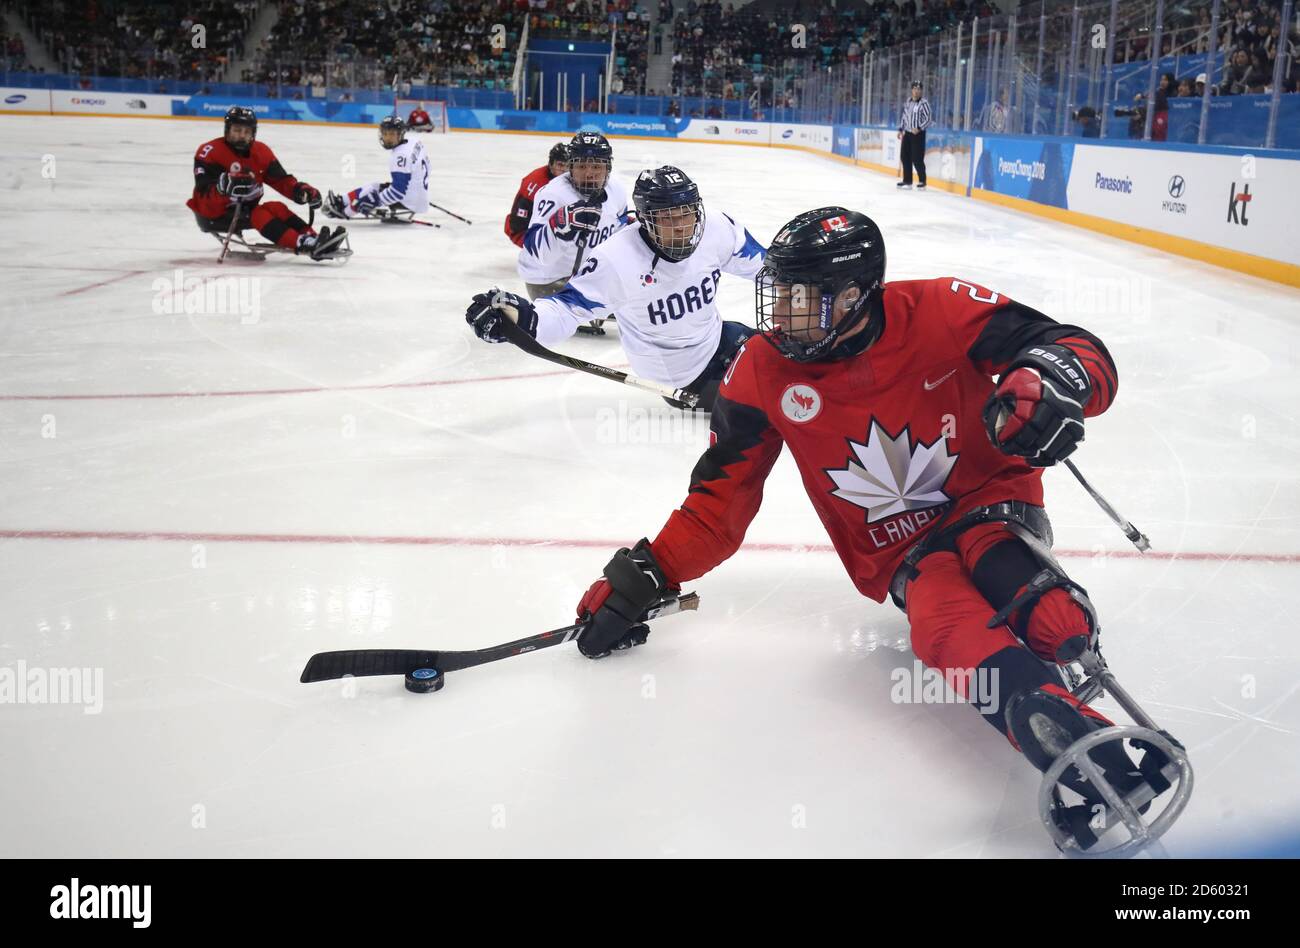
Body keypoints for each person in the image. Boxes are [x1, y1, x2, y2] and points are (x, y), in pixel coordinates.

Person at [567, 207, 1175, 850]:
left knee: (1018, 583)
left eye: (800, 298)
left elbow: (1076, 347)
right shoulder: (759, 370)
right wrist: (651, 571)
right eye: (778, 292)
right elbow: (719, 502)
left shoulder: (940, 309)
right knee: (942, 627)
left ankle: (1062, 633)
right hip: (905, 555)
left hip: (991, 501)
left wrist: (1049, 382)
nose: (779, 314)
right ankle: (1058, 726)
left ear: (853, 296)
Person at [467, 166, 766, 412]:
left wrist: (802, 281)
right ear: (646, 220)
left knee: (785, 353)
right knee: (771, 394)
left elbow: (765, 267)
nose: (680, 226)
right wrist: (523, 320)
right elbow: (566, 309)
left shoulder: (716, 227)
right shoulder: (617, 259)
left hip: (716, 337)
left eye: (686, 214)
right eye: (667, 218)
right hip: (681, 375)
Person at [187, 106, 347, 261]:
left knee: (276, 207)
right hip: (214, 214)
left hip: (243, 209)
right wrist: (222, 188)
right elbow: (202, 194)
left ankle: (313, 238)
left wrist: (300, 191)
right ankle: (302, 243)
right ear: (227, 130)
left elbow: (280, 180)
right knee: (259, 214)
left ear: (253, 133)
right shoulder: (210, 152)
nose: (242, 135)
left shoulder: (261, 152)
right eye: (237, 130)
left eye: (246, 132)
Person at [516, 131, 633, 301]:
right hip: (548, 281)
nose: (589, 173)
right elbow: (539, 254)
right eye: (582, 166)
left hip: (587, 275)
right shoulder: (553, 195)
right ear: (570, 168)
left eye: (596, 166)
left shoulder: (617, 190)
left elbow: (618, 231)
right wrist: (559, 225)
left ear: (608, 168)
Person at [323, 115, 430, 220]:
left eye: (392, 134)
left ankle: (345, 212)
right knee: (375, 186)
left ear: (401, 134)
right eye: (385, 134)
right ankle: (342, 201)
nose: (388, 138)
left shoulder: (400, 156)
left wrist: (375, 200)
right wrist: (414, 188)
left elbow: (397, 193)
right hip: (418, 196)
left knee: (370, 192)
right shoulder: (414, 142)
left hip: (410, 201)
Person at [504, 142, 570, 248]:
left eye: (568, 166)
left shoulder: (572, 178)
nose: (564, 170)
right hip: (523, 230)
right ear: (551, 164)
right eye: (560, 165)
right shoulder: (535, 182)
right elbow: (517, 226)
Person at [898, 81, 931, 190]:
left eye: (919, 89)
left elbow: (928, 119)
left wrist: (920, 128)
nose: (917, 91)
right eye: (915, 88)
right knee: (905, 156)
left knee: (917, 158)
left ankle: (922, 181)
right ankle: (907, 181)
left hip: (918, 134)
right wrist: (900, 129)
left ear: (921, 91)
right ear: (912, 90)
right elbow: (904, 116)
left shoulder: (924, 103)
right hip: (907, 133)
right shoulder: (908, 101)